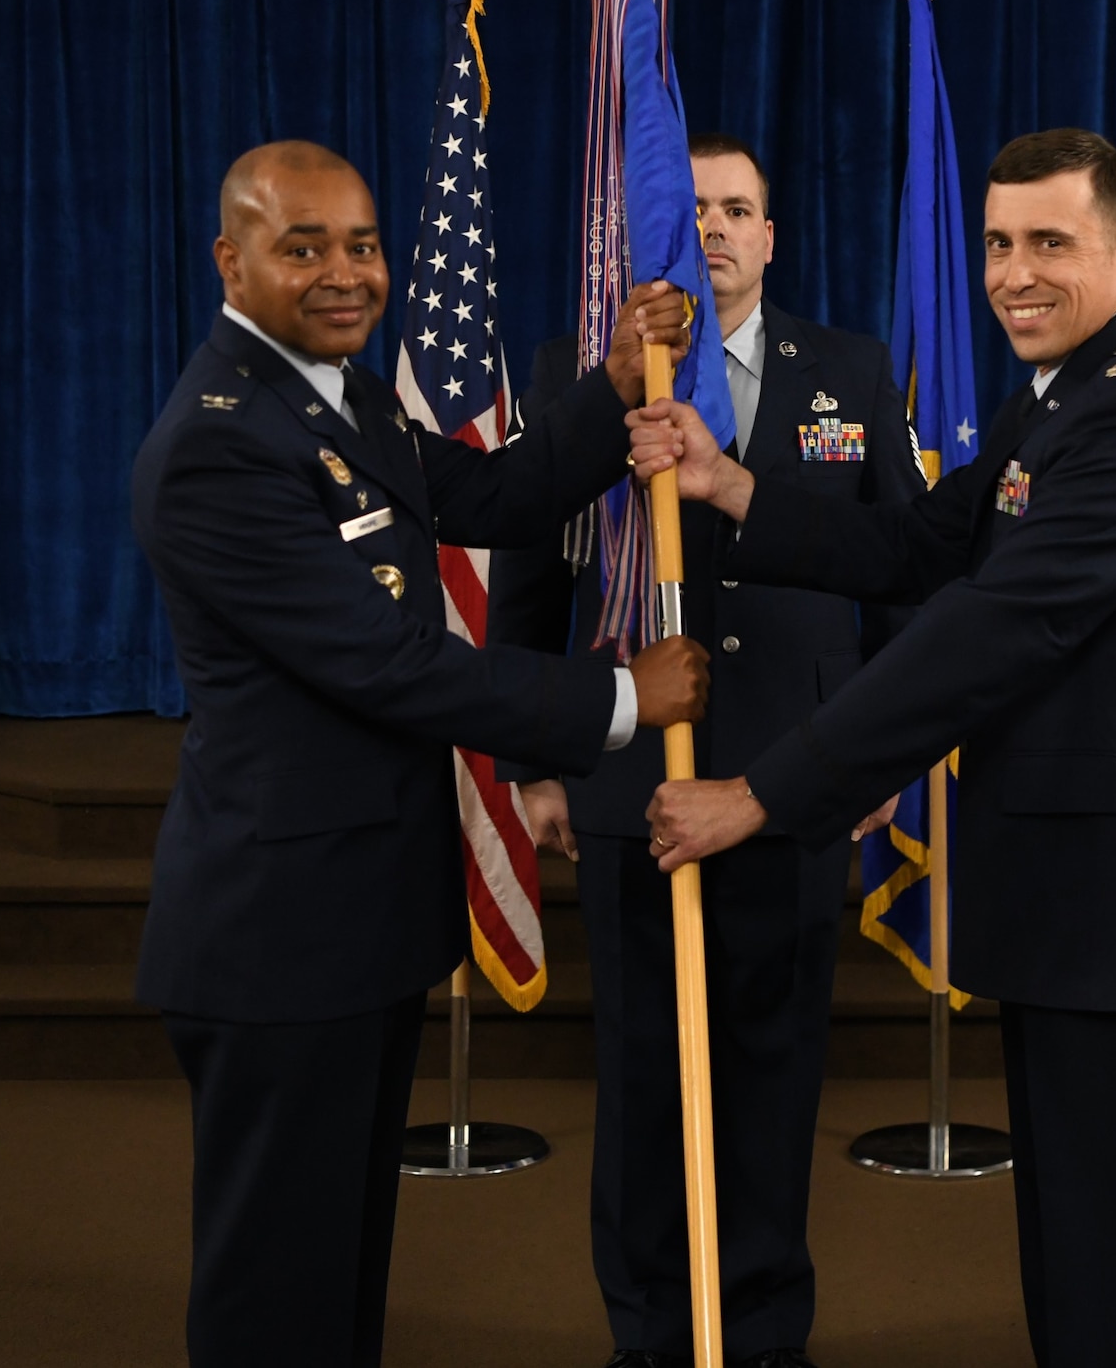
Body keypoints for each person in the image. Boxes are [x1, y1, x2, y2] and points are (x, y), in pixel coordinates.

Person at [633, 128, 1116, 1368]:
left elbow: (983, 634)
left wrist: (764, 792)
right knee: (1079, 1250)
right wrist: (731, 488)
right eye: (996, 241)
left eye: (1050, 242)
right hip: (1078, 902)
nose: (1013, 272)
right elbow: (918, 543)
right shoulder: (1068, 399)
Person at [130, 140, 709, 1368]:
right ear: (229, 261)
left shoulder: (340, 397)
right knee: (272, 1285)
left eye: (363, 245)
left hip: (357, 918)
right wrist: (618, 698)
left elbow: (494, 501)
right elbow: (389, 665)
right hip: (276, 935)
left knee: (337, 1262)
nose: (347, 275)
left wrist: (608, 389)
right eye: (304, 248)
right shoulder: (223, 442)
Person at [487, 133, 924, 1368]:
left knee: (775, 1079)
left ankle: (764, 1331)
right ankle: (647, 1333)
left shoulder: (847, 367)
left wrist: (876, 761)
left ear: (770, 236)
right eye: (695, 211)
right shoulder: (580, 375)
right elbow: (527, 584)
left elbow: (899, 587)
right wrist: (533, 764)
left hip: (797, 782)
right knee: (637, 1085)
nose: (717, 230)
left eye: (739, 209)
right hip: (631, 783)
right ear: (651, 237)